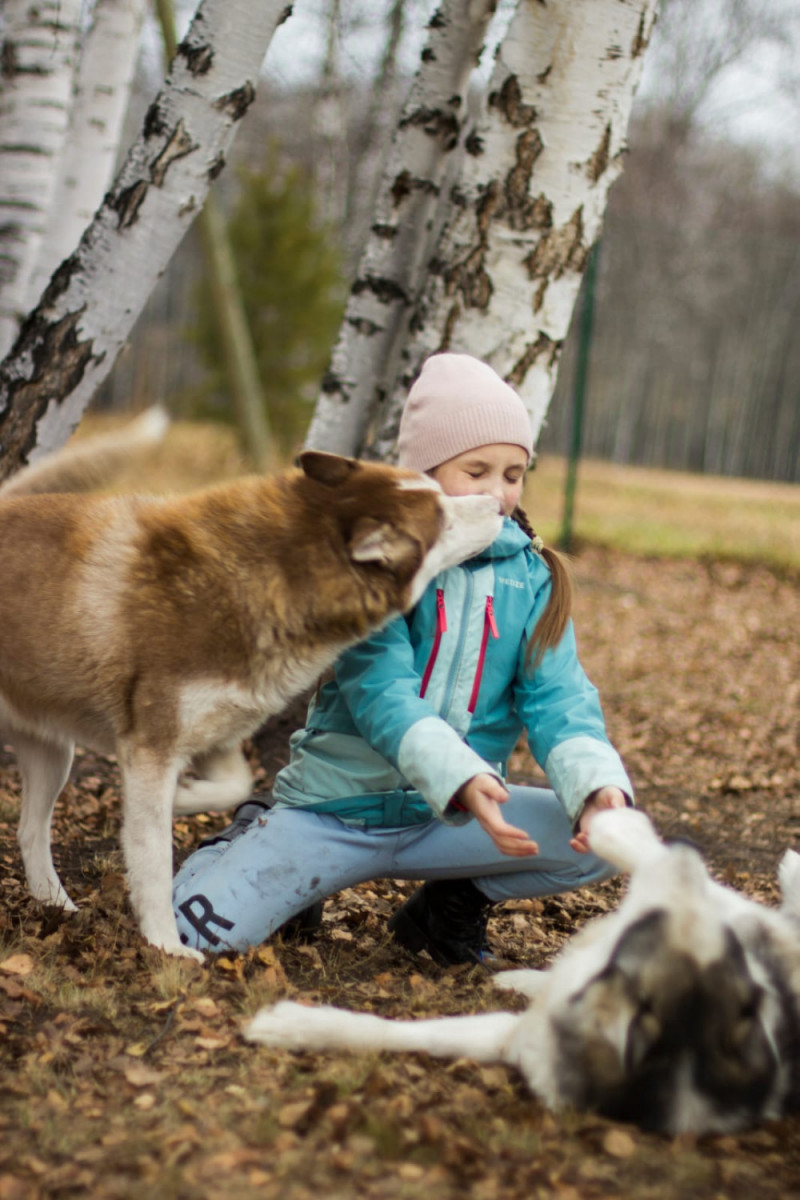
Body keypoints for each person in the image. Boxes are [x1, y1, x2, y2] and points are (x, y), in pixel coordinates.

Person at [173, 353, 633, 963]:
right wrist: (465, 778)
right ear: (424, 474)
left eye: (514, 473)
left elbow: (560, 699)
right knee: (191, 941)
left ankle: (445, 913)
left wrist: (597, 787)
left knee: (609, 841)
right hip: (334, 815)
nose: (498, 492)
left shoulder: (533, 579)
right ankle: (249, 842)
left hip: (449, 823)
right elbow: (382, 694)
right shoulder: (378, 563)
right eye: (477, 470)